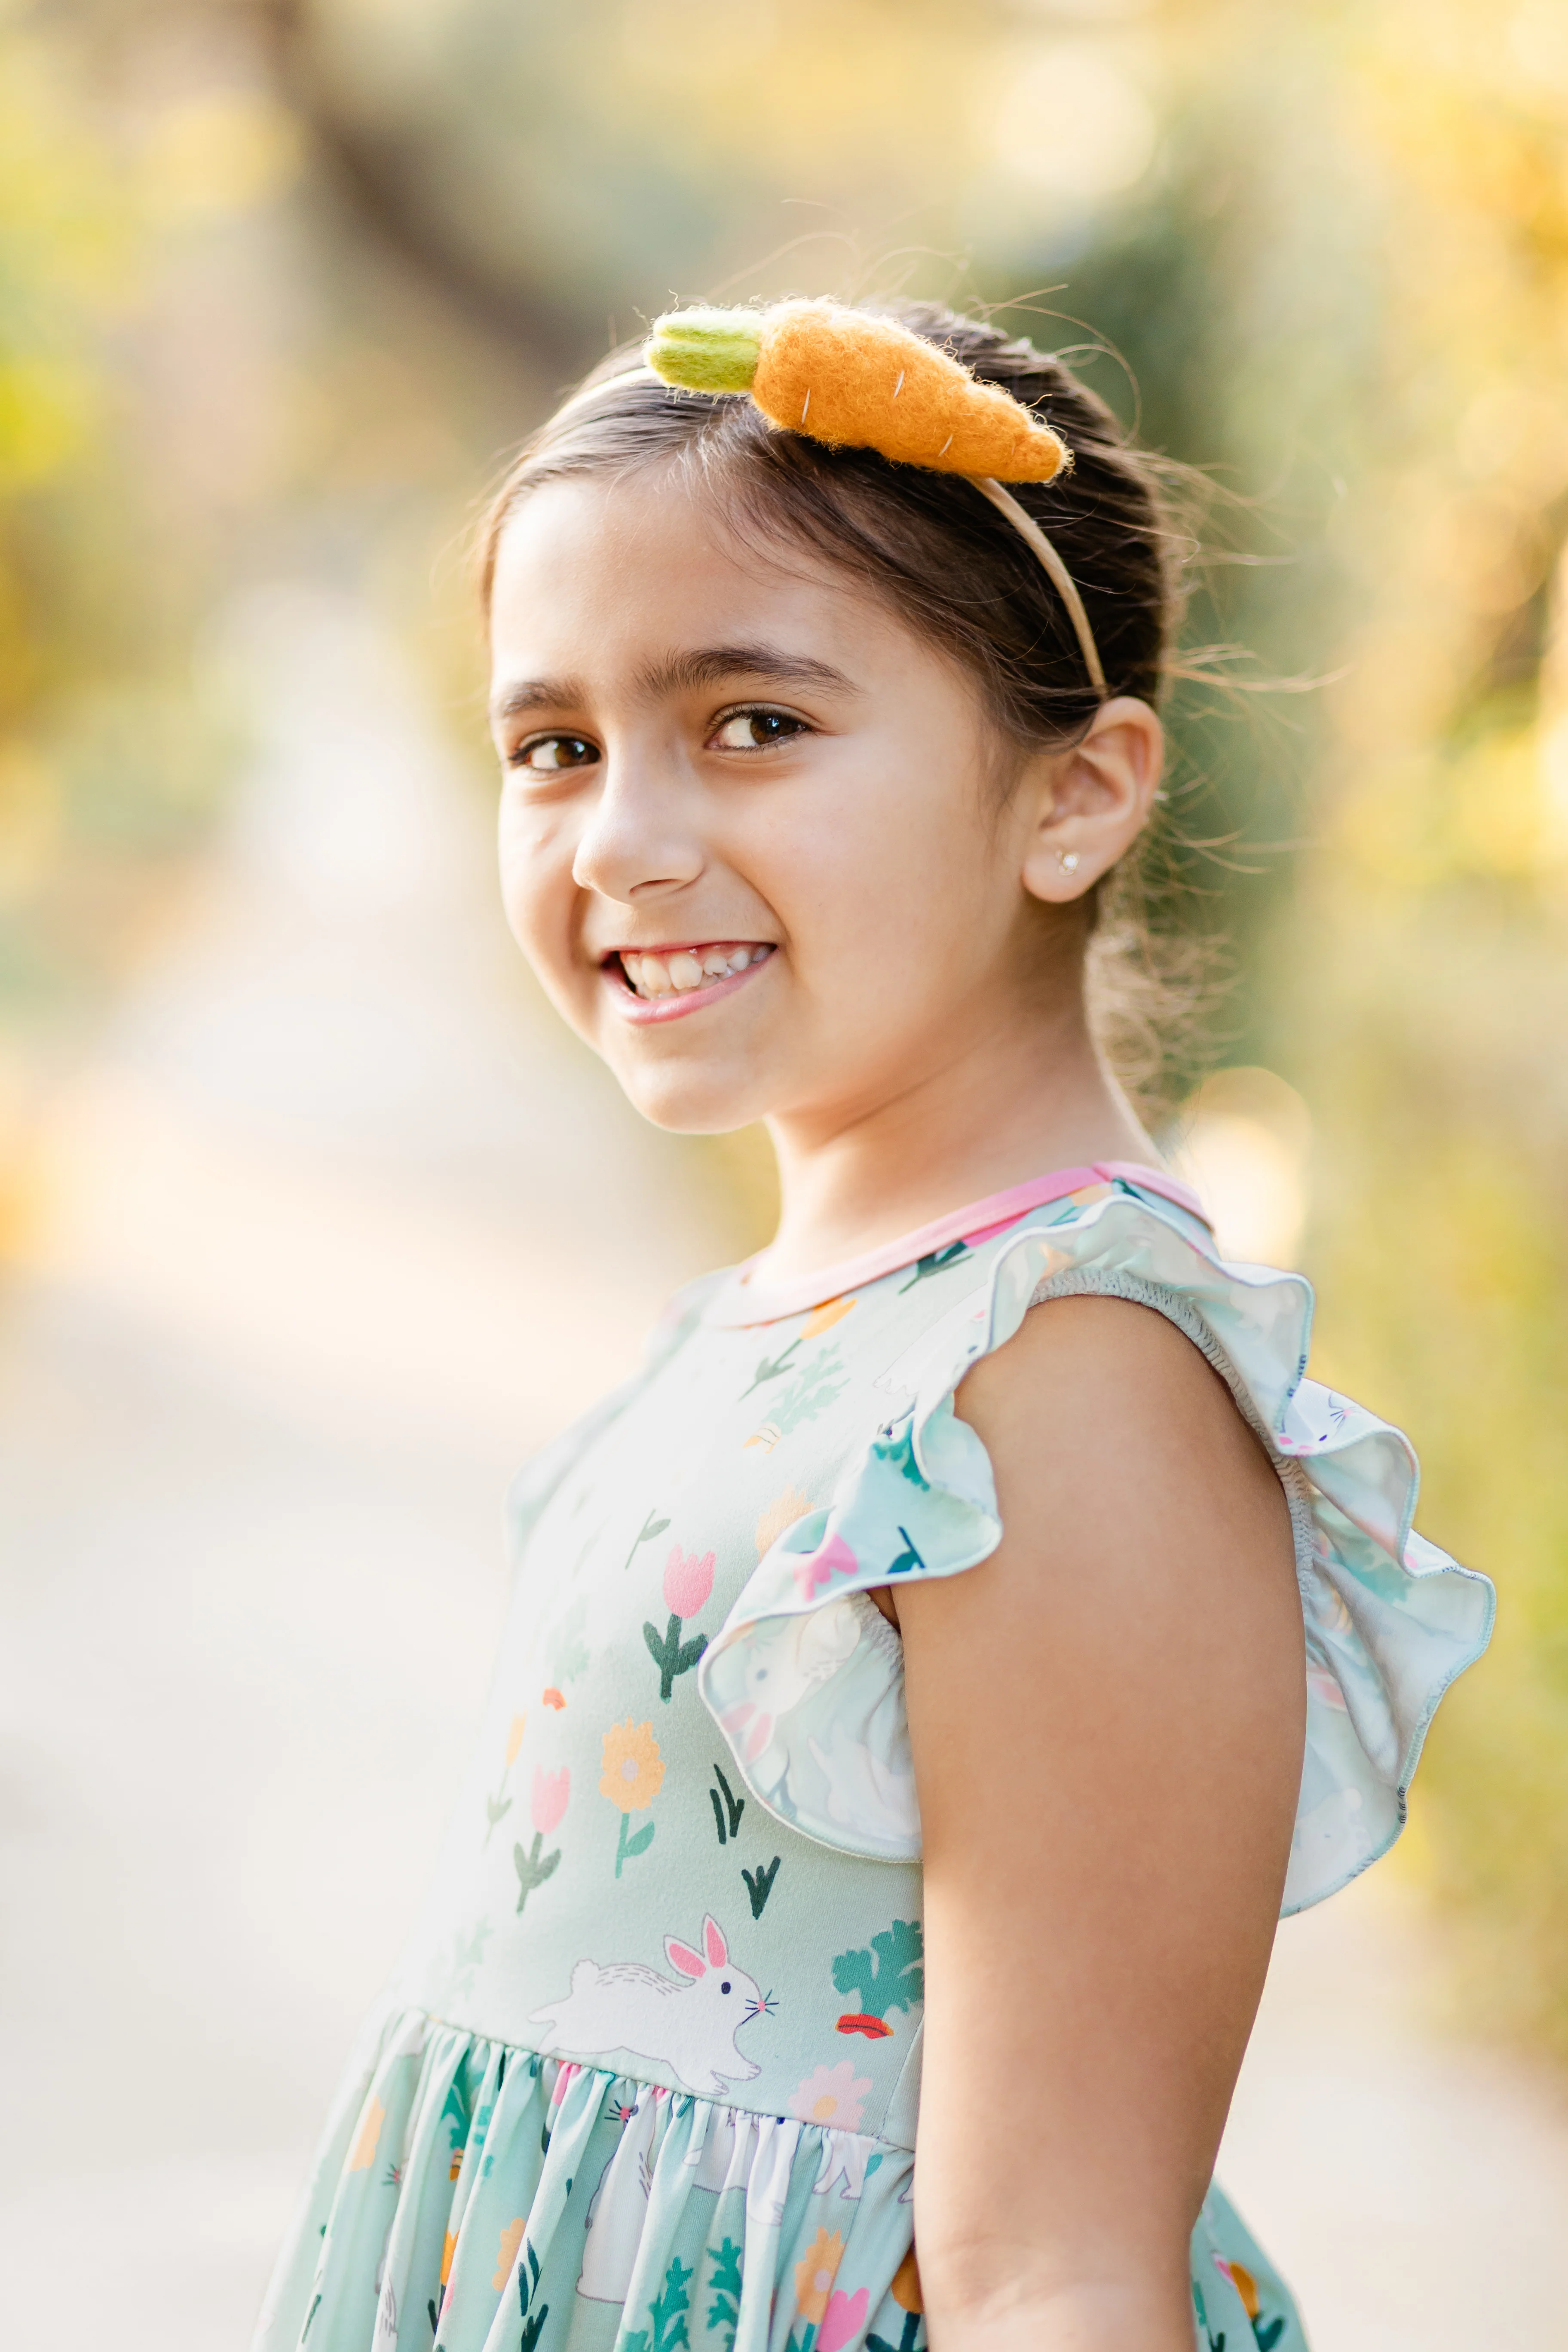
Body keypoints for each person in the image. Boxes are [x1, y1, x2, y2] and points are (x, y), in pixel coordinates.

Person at [254, 300, 1494, 2352]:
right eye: (553, 745)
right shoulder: (780, 1327)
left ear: (1075, 797)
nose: (626, 840)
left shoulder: (1061, 1380)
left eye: (752, 723)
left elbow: (1055, 2272)